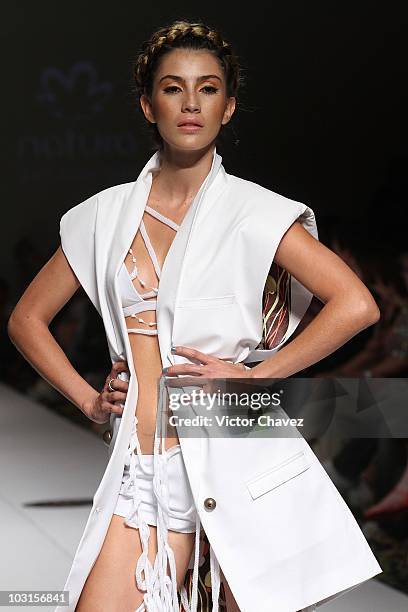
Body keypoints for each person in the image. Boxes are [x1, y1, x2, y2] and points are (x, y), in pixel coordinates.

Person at [8, 19, 382, 612]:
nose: (190, 103)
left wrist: (258, 377)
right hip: (142, 470)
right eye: (173, 87)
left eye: (208, 89)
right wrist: (86, 400)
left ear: (228, 108)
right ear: (147, 103)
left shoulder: (257, 212)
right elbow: (26, 319)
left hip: (235, 453)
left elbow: (357, 304)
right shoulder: (102, 217)